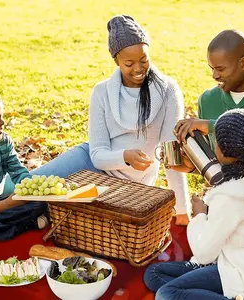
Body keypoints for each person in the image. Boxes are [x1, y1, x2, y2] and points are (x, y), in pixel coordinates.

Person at [32, 15, 190, 225]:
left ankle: (37, 218)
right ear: (116, 61)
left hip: (126, 185)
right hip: (91, 163)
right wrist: (125, 156)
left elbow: (171, 155)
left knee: (41, 205)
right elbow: (97, 155)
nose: (138, 68)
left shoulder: (168, 90)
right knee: (27, 189)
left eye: (144, 60)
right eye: (129, 63)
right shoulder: (102, 92)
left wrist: (182, 210)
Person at [144, 108, 244, 300]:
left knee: (166, 293)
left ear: (223, 150)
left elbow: (204, 252)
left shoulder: (230, 197)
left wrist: (200, 215)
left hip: (238, 276)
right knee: (154, 274)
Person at [173, 29, 244, 263]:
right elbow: (222, 161)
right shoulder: (208, 100)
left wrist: (212, 126)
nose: (214, 75)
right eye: (211, 68)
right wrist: (194, 166)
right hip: (226, 203)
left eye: (220, 69)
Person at [0, 90, 48, 241]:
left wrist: (31, 189)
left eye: (2, 116)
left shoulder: (3, 141)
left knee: (42, 203)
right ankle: (23, 226)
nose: (2, 122)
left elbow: (18, 172)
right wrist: (6, 204)